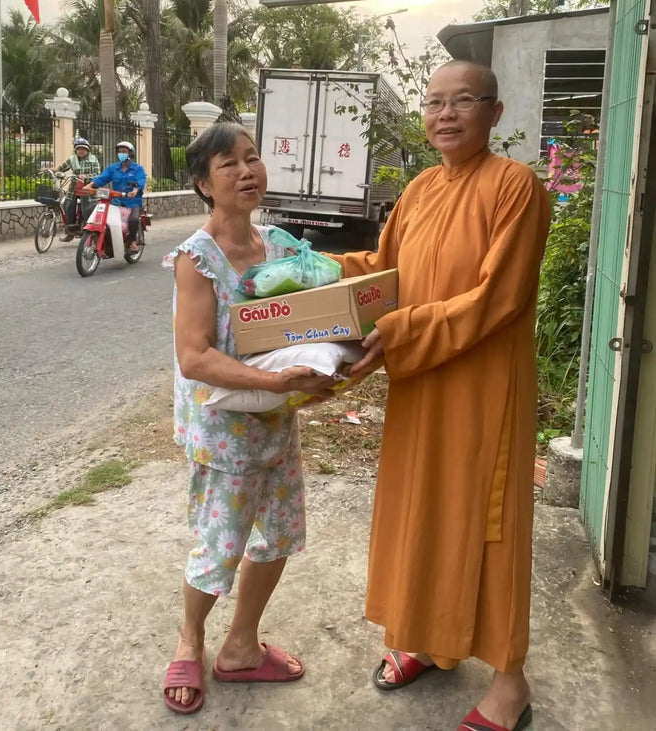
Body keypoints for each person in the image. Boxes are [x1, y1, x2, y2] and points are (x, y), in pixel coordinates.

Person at [335, 60, 551, 731]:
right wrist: (310, 270)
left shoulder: (517, 187)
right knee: (420, 510)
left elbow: (498, 298)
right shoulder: (421, 189)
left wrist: (399, 330)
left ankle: (510, 683)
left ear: (495, 111)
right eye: (435, 102)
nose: (447, 114)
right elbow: (383, 271)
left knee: (485, 524)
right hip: (420, 379)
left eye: (464, 101)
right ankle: (430, 641)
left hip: (483, 387)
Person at [161, 122, 333, 716]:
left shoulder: (284, 248)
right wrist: (274, 381)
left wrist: (335, 366)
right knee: (220, 545)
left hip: (275, 423)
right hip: (223, 430)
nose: (246, 171)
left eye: (252, 158)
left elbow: (314, 324)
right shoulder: (197, 260)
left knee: (278, 535)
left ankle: (240, 645)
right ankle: (190, 638)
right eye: (228, 164)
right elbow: (195, 356)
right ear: (203, 184)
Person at [83, 141, 146, 251]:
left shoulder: (137, 169)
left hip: (133, 202)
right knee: (91, 209)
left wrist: (135, 190)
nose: (121, 154)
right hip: (115, 200)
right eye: (119, 152)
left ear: (130, 154)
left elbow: (141, 180)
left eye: (124, 152)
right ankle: (98, 236)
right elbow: (102, 178)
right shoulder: (113, 168)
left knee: (133, 220)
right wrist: (90, 185)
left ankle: (131, 242)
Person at [50, 137, 101, 241]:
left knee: (86, 209)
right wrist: (48, 170)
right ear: (75, 150)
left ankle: (88, 234)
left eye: (83, 149)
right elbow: (61, 168)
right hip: (74, 188)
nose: (81, 151)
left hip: (88, 189)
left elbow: (98, 174)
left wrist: (86, 176)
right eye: (79, 149)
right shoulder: (72, 159)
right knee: (67, 206)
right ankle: (70, 232)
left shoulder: (93, 159)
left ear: (87, 150)